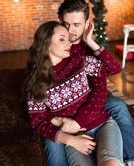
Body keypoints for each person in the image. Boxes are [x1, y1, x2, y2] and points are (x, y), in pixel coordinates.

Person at [44, 0, 134, 166]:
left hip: (94, 98)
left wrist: (91, 42)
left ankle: (130, 158)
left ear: (86, 24)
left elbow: (113, 70)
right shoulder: (55, 46)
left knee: (118, 106)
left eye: (76, 25)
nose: (70, 30)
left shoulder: (88, 50)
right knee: (52, 138)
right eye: (66, 24)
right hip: (65, 105)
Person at [25, 21, 123, 166]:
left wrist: (90, 41)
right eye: (61, 39)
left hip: (102, 125)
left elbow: (113, 67)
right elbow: (38, 120)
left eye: (68, 39)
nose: (69, 43)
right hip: (73, 138)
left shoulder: (79, 61)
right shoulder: (36, 81)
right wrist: (71, 140)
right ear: (46, 44)